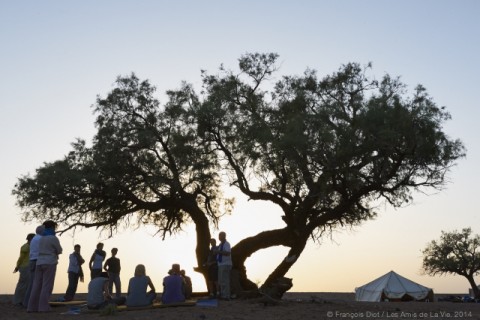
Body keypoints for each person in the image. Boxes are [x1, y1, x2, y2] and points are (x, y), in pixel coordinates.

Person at [27, 220, 63, 313]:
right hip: (50, 262)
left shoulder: (40, 238)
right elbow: (59, 250)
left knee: (36, 285)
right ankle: (43, 307)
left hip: (39, 262)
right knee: (47, 285)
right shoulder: (53, 238)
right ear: (52, 227)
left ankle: (31, 307)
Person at [23, 225, 44, 308]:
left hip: (32, 260)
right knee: (36, 283)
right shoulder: (40, 239)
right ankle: (31, 302)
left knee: (32, 283)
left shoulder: (34, 239)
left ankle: (26, 302)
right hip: (37, 261)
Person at [12, 233, 35, 306]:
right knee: (23, 284)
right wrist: (17, 266)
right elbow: (21, 258)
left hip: (28, 266)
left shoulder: (30, 246)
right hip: (25, 267)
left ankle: (23, 300)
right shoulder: (26, 247)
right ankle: (18, 301)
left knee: (27, 284)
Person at [215, 231, 232, 300]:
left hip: (225, 264)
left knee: (225, 280)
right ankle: (223, 295)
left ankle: (226, 295)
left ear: (224, 236)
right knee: (221, 280)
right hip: (221, 264)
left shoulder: (226, 244)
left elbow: (228, 253)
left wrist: (218, 252)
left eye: (221, 236)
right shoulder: (220, 245)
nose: (219, 237)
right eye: (219, 236)